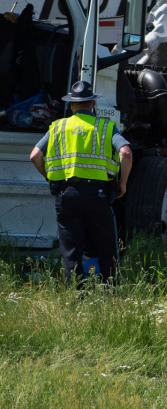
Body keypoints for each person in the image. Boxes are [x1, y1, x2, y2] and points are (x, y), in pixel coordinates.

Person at [29, 81, 132, 286]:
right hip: (98, 194)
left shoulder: (57, 127)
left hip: (66, 194)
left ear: (72, 105)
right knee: (106, 246)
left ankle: (75, 296)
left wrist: (50, 176)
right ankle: (110, 292)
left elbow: (34, 156)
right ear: (93, 104)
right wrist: (123, 183)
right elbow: (126, 153)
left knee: (71, 249)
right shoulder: (105, 127)